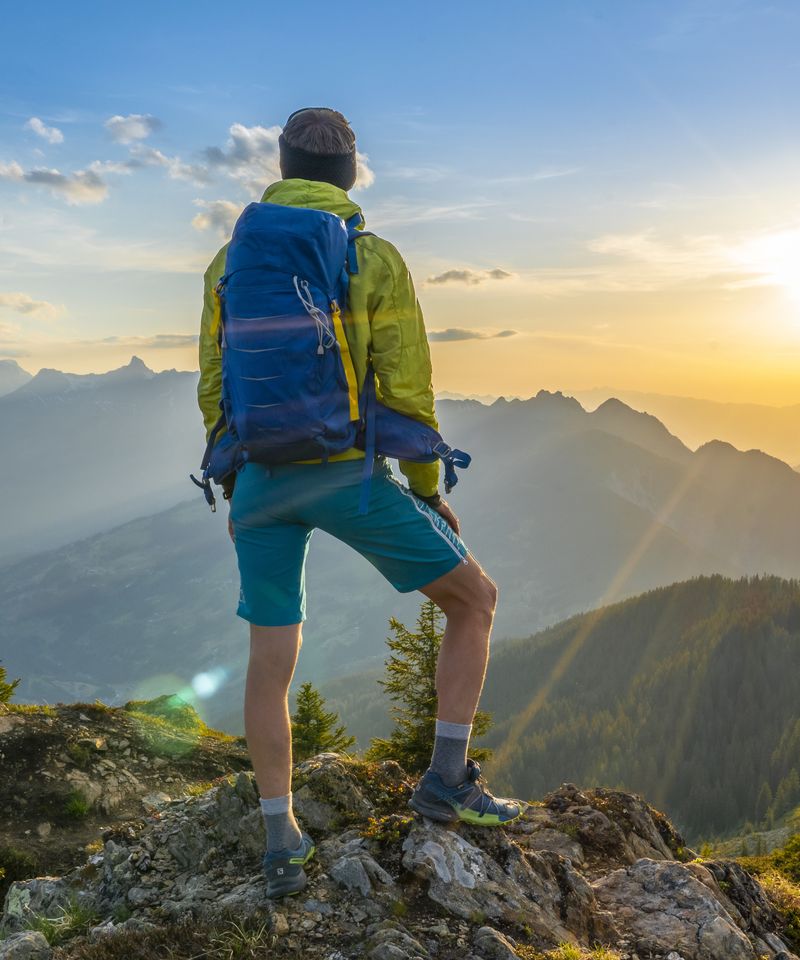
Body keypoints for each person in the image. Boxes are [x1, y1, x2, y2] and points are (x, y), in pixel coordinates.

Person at [197, 107, 522, 900]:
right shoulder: (369, 256)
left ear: (280, 165)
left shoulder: (229, 261)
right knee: (474, 600)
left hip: (260, 483)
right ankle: (446, 779)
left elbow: (215, 381)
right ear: (351, 174)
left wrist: (238, 478)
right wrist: (424, 490)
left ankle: (282, 843)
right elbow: (405, 381)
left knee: (268, 667)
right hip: (346, 474)